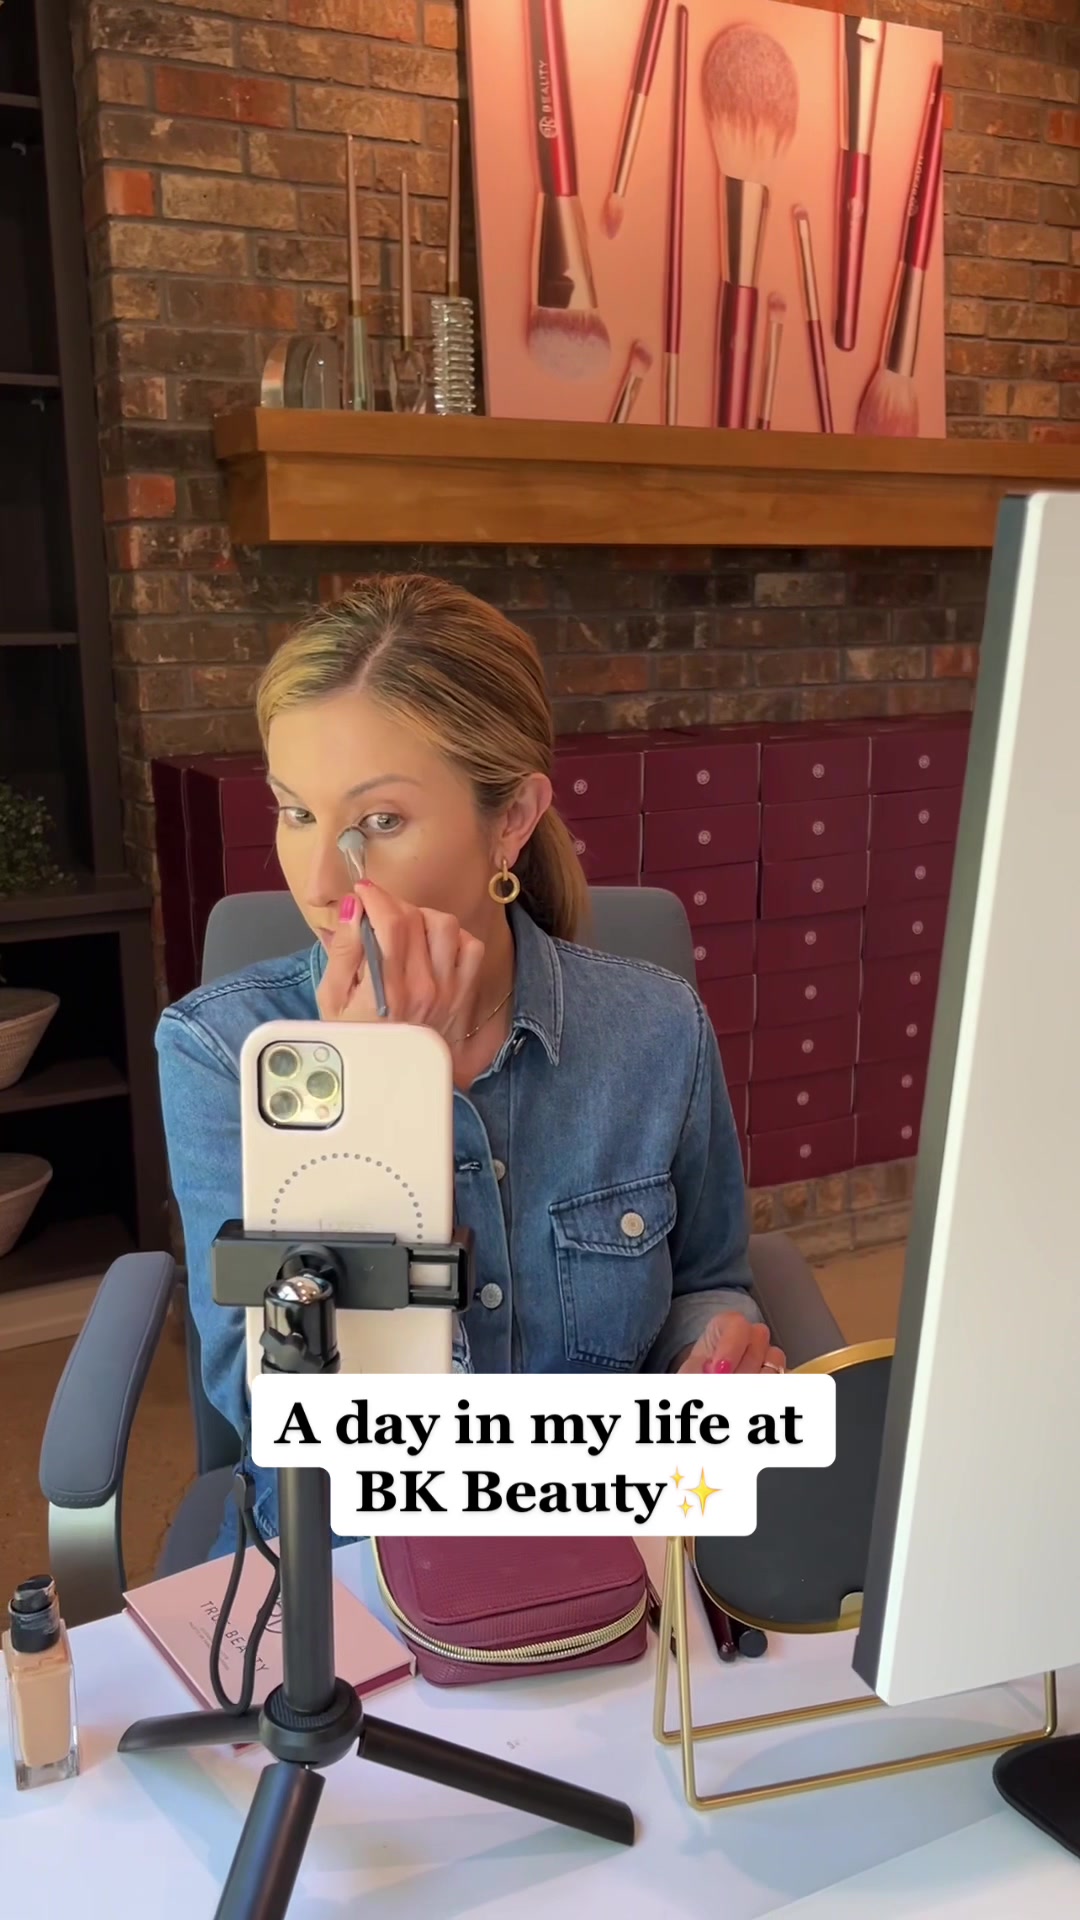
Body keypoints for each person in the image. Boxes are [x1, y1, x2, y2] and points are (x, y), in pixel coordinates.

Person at [156, 575, 783, 1555]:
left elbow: (708, 1279)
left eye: (380, 822)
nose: (318, 882)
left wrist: (709, 1355)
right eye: (295, 813)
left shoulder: (657, 1028)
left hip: (606, 1539)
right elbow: (273, 1409)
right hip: (349, 1554)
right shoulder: (219, 1051)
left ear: (512, 817)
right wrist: (379, 1098)